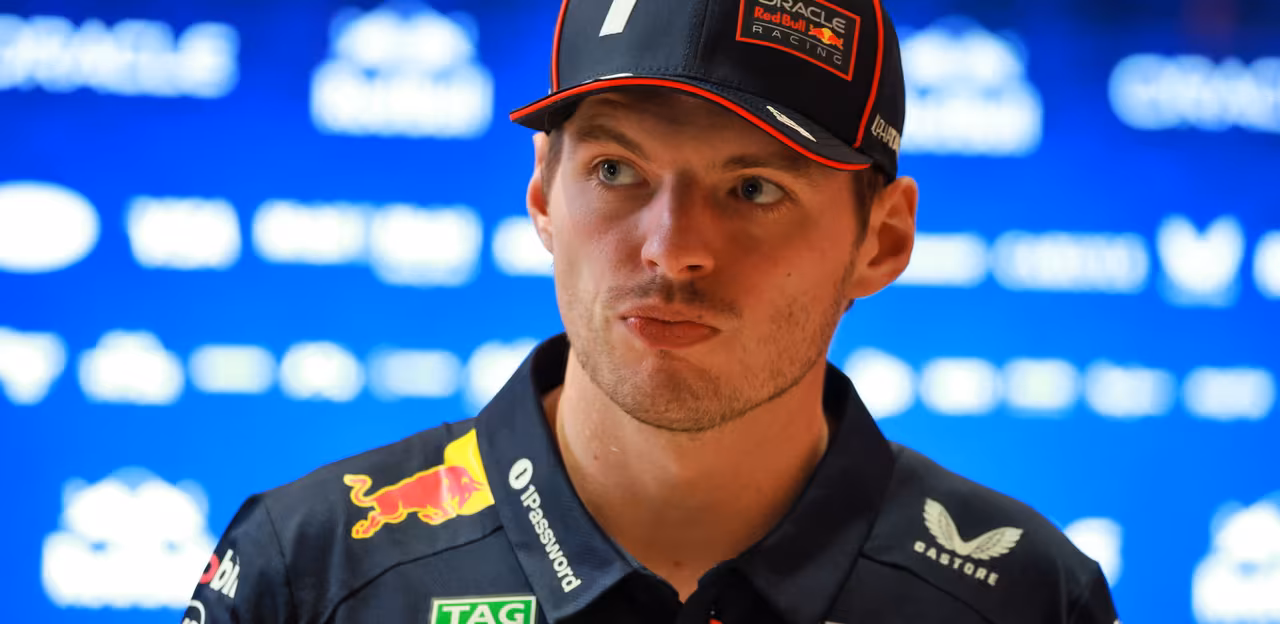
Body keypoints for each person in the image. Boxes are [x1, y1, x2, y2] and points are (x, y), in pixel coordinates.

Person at [184, 0, 1120, 622]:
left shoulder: (1026, 596)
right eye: (616, 170)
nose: (672, 248)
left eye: (753, 188)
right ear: (543, 196)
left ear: (881, 239)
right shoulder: (311, 568)